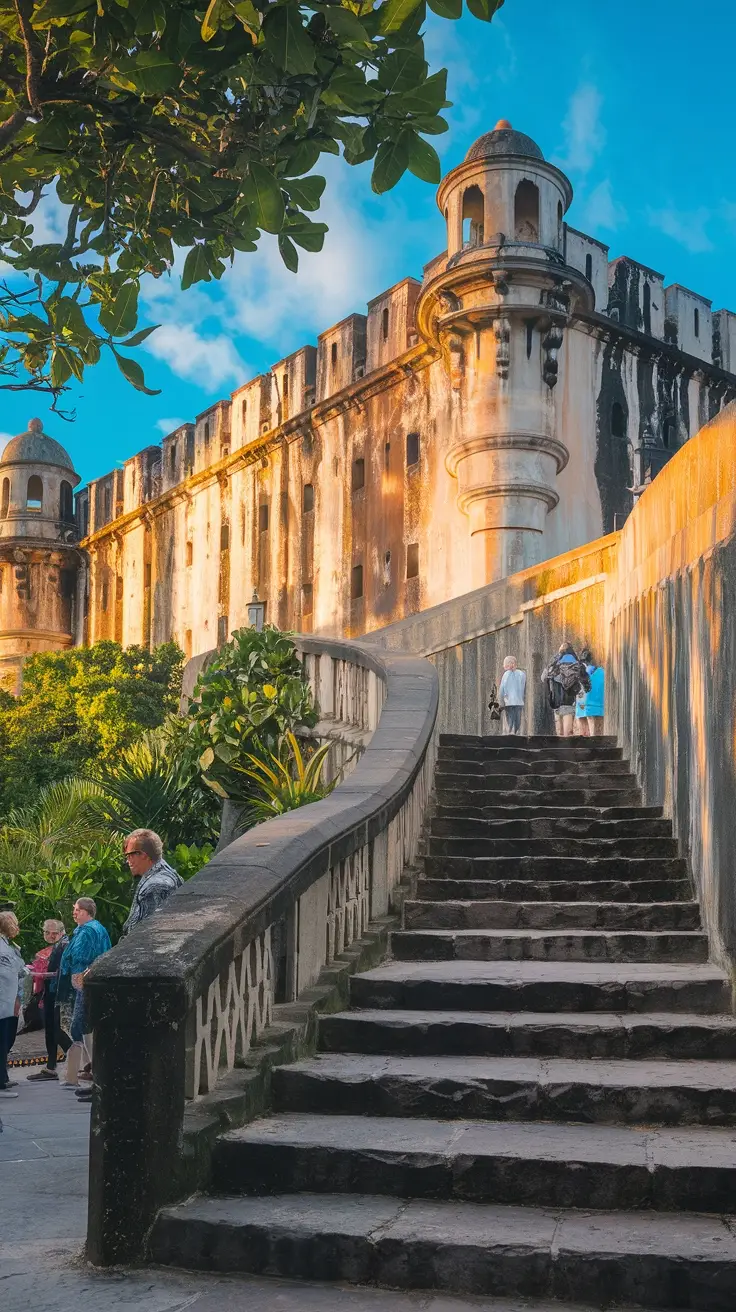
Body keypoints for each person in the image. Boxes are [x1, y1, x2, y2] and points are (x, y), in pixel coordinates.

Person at [58, 898, 110, 1095]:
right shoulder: (97, 928)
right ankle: (83, 1071)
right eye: (75, 909)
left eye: (78, 910)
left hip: (84, 981)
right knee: (83, 1024)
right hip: (89, 981)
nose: (74, 913)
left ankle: (84, 1071)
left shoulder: (88, 930)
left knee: (79, 1025)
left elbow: (80, 956)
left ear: (87, 912)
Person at [27, 919, 72, 1082]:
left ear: (61, 932)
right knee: (50, 1028)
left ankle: (77, 1060)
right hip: (49, 992)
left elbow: (63, 970)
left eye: (54, 933)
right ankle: (51, 1066)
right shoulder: (55, 948)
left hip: (58, 992)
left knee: (56, 1029)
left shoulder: (64, 946)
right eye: (47, 932)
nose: (51, 936)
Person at [121, 830, 183, 936]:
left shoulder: (155, 887)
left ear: (143, 855)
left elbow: (147, 934)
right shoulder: (165, 871)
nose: (128, 860)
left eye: (129, 855)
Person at [0, 911, 25, 1098]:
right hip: (2, 1000)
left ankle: (3, 1077)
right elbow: (11, 970)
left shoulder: (7, 944)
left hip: (6, 1000)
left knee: (5, 1039)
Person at [542, 642, 591, 738]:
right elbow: (586, 684)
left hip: (555, 701)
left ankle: (558, 751)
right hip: (569, 701)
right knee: (567, 734)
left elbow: (543, 678)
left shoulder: (553, 665)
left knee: (559, 733)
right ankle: (566, 751)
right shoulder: (577, 664)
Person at [580, 647, 606, 736]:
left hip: (589, 704)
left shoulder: (583, 672)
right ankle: (600, 747)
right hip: (600, 705)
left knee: (592, 730)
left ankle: (593, 747)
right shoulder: (603, 672)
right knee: (600, 729)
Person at [498, 655, 526, 735]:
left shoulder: (506, 674)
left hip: (509, 701)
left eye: (506, 664)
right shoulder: (522, 674)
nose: (504, 666)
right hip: (519, 701)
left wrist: (501, 701)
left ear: (512, 664)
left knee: (509, 719)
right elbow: (523, 688)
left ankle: (510, 733)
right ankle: (516, 732)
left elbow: (502, 689)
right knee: (517, 719)